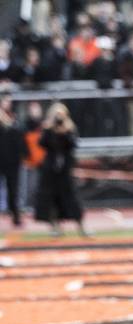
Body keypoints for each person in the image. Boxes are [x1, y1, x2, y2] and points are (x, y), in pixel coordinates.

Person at [34, 103, 89, 237]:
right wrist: (50, 129)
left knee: (72, 198)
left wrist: (65, 132)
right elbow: (41, 144)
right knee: (51, 200)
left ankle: (81, 228)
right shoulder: (48, 129)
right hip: (50, 172)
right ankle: (55, 228)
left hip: (65, 171)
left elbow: (74, 144)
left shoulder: (69, 128)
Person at [0, 94, 27, 227]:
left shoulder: (15, 118)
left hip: (12, 161)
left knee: (13, 190)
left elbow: (21, 137)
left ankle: (15, 216)